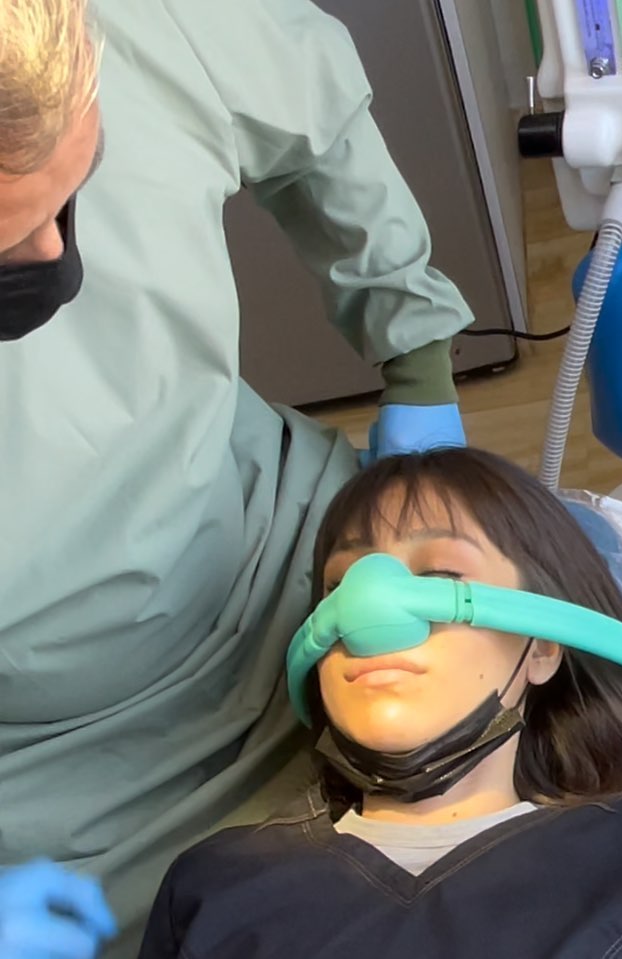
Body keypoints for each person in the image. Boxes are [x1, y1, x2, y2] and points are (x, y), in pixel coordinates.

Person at [0, 0, 474, 952]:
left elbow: (312, 106)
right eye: (8, 245)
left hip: (269, 549)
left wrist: (416, 360)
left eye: (75, 191)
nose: (55, 255)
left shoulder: (132, 22)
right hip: (40, 770)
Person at [136, 448, 622, 958]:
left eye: (439, 575)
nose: (371, 614)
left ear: (542, 647)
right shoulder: (214, 887)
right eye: (341, 586)